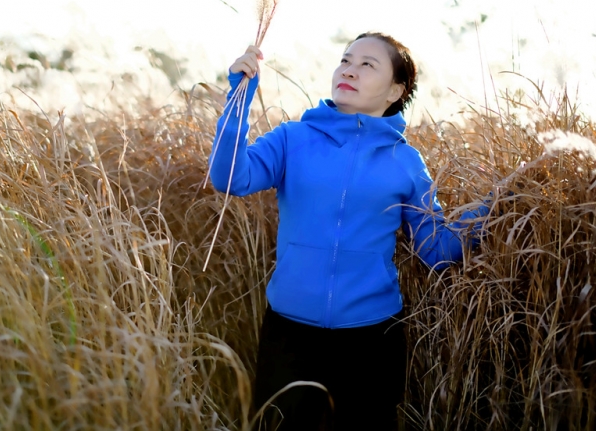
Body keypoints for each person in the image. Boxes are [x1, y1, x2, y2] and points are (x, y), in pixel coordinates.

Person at [208, 32, 490, 430]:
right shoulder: (292, 139)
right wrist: (238, 99)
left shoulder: (406, 162)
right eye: (345, 60)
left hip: (371, 340)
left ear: (396, 89)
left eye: (367, 64)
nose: (349, 70)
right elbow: (230, 177)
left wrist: (497, 205)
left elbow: (438, 249)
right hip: (290, 336)